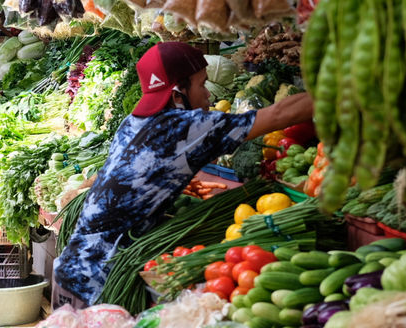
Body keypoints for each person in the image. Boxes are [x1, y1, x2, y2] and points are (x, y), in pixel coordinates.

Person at [52, 42, 314, 308]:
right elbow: (278, 114)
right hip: (100, 283)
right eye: (202, 85)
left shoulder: (132, 122)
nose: (208, 96)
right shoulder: (183, 128)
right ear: (178, 93)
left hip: (71, 269)